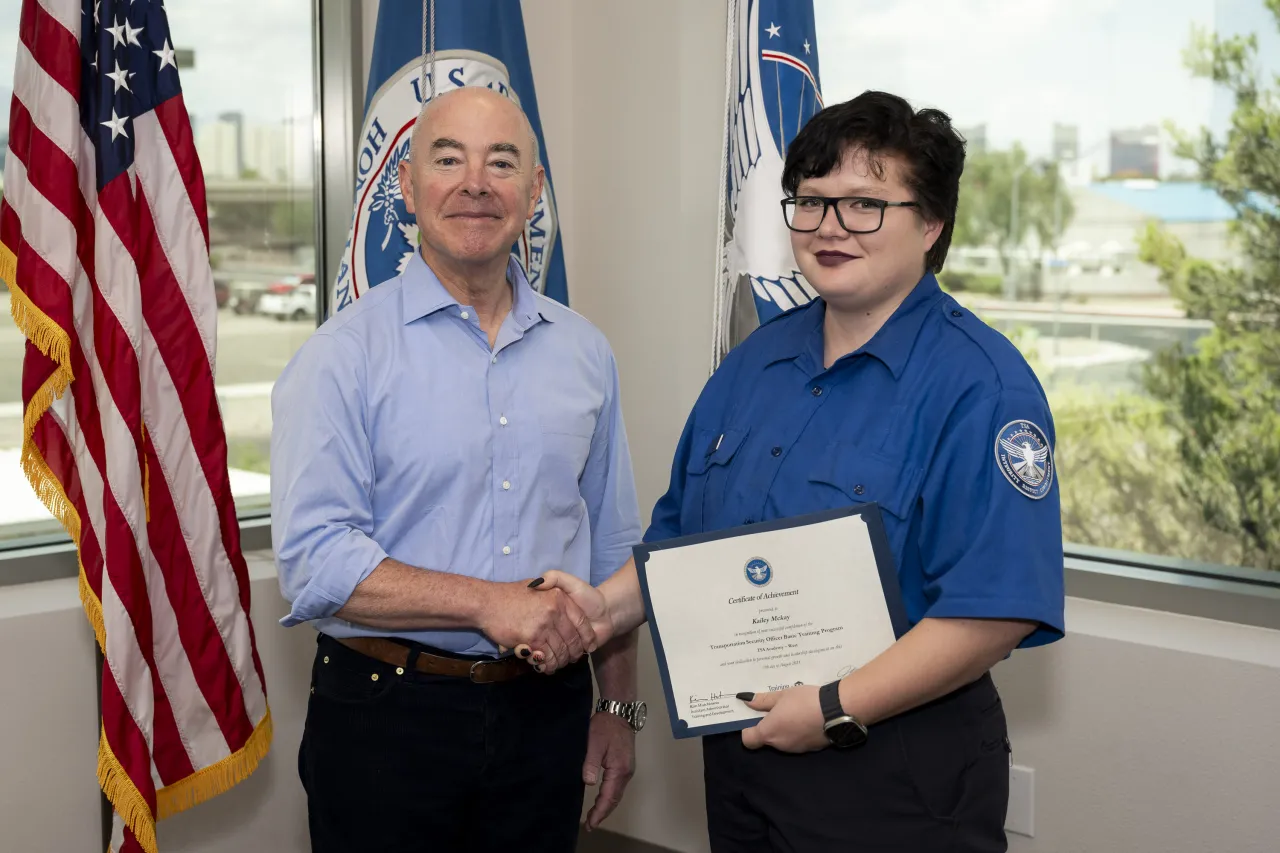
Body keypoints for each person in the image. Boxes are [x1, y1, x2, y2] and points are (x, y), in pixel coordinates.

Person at [532, 90, 1066, 852]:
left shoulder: (982, 386)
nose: (828, 228)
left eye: (864, 205)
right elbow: (683, 538)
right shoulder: (753, 364)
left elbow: (994, 611)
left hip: (895, 774)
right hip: (745, 762)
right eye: (810, 202)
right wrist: (601, 608)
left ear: (933, 223)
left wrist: (836, 705)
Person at [271, 86, 645, 853]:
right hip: (386, 719)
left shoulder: (586, 352)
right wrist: (488, 604)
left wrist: (619, 711)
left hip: (549, 717)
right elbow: (313, 563)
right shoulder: (342, 356)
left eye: (501, 161)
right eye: (448, 158)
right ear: (407, 188)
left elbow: (611, 549)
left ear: (533, 192)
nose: (475, 182)